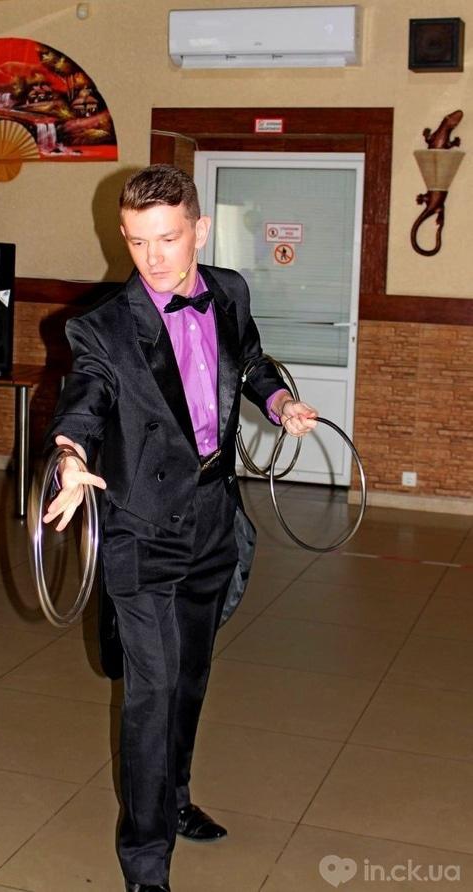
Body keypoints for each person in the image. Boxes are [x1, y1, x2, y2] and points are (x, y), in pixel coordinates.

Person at [43, 164, 317, 892]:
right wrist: (70, 455)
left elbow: (249, 360)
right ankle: (145, 862)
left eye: (167, 238)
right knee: (151, 693)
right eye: (136, 241)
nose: (152, 258)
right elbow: (85, 397)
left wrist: (279, 402)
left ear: (199, 229)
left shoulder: (229, 291)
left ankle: (176, 797)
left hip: (211, 520)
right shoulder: (102, 326)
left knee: (190, 677)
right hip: (141, 530)